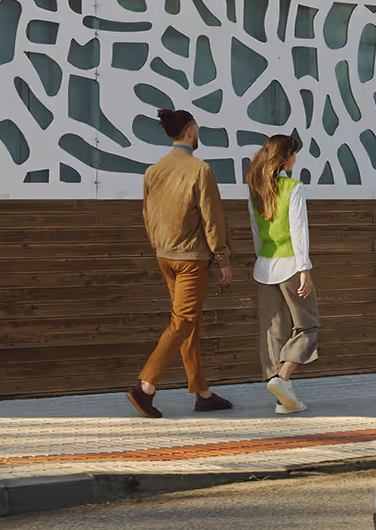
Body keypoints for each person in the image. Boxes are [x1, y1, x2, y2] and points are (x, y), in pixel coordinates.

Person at [131, 108, 237, 418]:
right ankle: (145, 386)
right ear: (189, 131)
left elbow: (147, 214)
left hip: (165, 255)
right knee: (183, 322)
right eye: (198, 128)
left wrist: (158, 245)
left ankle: (201, 392)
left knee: (188, 321)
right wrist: (223, 259)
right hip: (192, 259)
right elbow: (213, 219)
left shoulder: (154, 170)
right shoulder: (200, 170)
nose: (199, 133)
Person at [245, 133, 319, 414]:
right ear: (285, 158)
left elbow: (255, 231)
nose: (295, 158)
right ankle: (282, 378)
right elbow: (299, 231)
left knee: (273, 332)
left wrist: (262, 258)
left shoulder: (255, 189)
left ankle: (282, 397)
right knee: (308, 326)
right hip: (290, 266)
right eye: (294, 154)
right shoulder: (294, 188)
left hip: (264, 266)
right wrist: (304, 269)